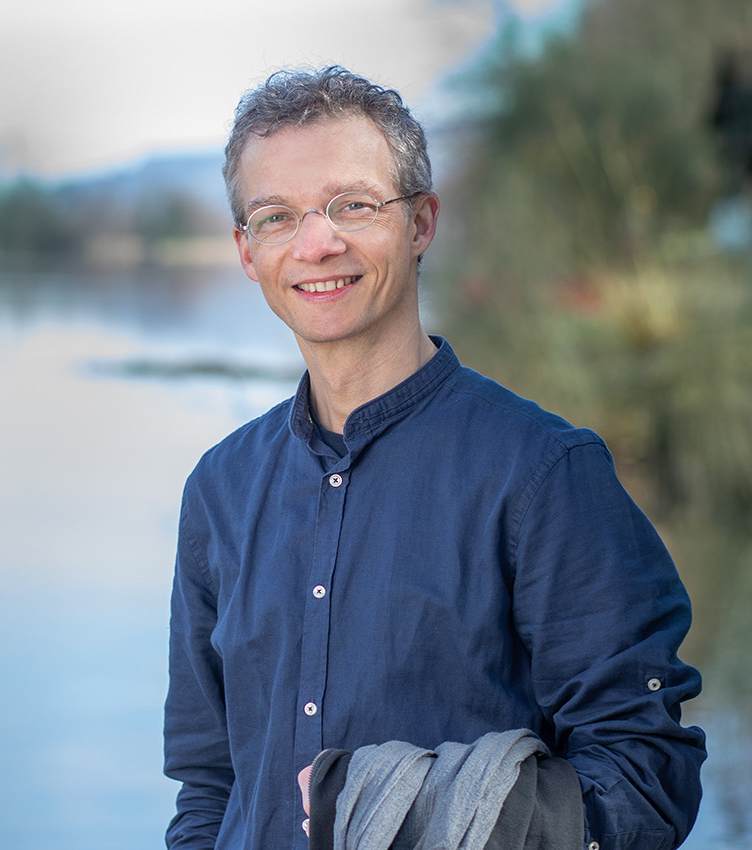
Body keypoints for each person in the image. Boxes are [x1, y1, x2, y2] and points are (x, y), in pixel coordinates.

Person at [163, 66, 705, 850]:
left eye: (353, 205)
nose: (318, 243)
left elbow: (645, 778)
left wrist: (414, 807)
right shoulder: (219, 488)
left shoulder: (546, 475)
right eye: (277, 217)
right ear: (249, 253)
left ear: (421, 223)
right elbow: (210, 782)